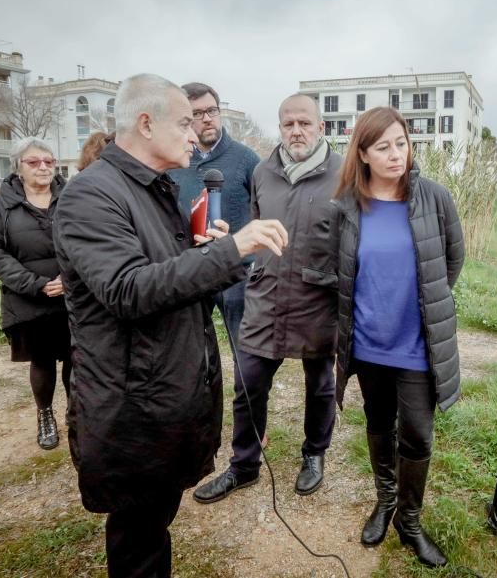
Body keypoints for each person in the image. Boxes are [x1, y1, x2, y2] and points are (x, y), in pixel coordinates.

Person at [53, 74, 288, 578]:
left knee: (154, 524)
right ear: (145, 122)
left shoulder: (151, 189)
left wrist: (208, 254)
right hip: (129, 406)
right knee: (139, 539)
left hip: (159, 395)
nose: (194, 134)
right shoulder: (91, 196)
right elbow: (128, 289)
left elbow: (166, 275)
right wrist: (233, 249)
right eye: (183, 122)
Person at [332, 106, 465, 568]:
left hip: (416, 345)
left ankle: (409, 521)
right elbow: (341, 271)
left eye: (402, 143)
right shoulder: (348, 205)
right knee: (378, 423)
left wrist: (423, 306)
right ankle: (385, 501)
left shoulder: (434, 197)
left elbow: (451, 261)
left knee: (418, 436)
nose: (396, 154)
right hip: (368, 343)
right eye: (383, 146)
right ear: (364, 153)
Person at [193, 93, 341, 503]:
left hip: (318, 300)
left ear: (320, 128)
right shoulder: (264, 171)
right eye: (288, 124)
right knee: (249, 383)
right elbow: (258, 226)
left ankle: (314, 454)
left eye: (304, 123)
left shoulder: (345, 175)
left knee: (321, 386)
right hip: (267, 297)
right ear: (280, 127)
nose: (296, 131)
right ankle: (244, 465)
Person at [0, 138, 71, 450]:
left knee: (79, 358)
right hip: (29, 298)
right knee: (43, 361)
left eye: (49, 161)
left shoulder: (72, 196)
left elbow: (90, 238)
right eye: (34, 162)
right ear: (18, 167)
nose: (44, 167)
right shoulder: (2, 204)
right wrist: (35, 283)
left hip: (73, 295)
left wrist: (70, 277)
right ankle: (45, 415)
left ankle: (79, 414)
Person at [167, 82, 261, 370]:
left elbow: (264, 208)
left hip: (238, 272)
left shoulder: (246, 159)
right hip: (191, 269)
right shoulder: (174, 162)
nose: (207, 118)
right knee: (192, 352)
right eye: (197, 113)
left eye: (212, 110)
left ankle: (247, 407)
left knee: (246, 356)